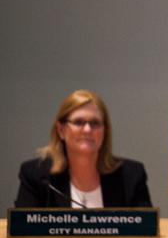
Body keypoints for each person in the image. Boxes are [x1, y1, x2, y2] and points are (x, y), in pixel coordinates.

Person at [14, 89, 152, 208]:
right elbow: (23, 232)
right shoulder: (36, 176)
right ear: (61, 130)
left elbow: (146, 232)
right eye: (79, 122)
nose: (87, 129)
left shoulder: (131, 176)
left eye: (95, 123)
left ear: (105, 130)